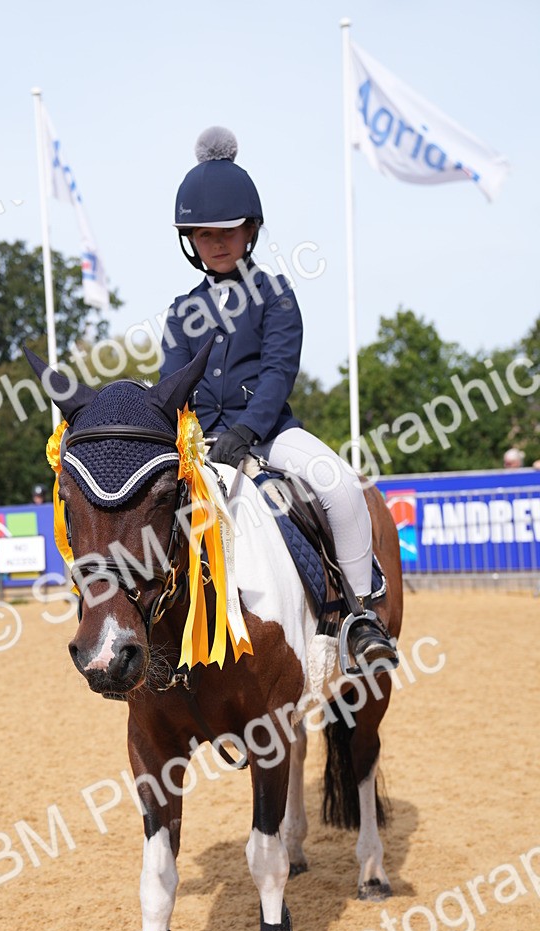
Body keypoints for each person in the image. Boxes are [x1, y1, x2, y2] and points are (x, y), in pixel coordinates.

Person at [159, 127, 398, 672]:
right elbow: (170, 385)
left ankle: (360, 615)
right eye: (202, 232)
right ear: (190, 239)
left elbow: (277, 373)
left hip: (269, 434)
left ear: (251, 231)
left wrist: (246, 431)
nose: (216, 242)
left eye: (228, 230)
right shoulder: (179, 311)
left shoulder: (276, 295)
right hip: (198, 445)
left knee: (339, 484)